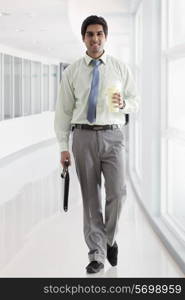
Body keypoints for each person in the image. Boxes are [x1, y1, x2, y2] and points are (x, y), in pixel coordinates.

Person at [54, 15, 139, 274]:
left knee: (118, 193)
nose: (95, 38)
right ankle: (97, 254)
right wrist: (63, 147)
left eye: (99, 33)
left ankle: (109, 239)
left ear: (105, 37)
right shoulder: (72, 72)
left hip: (113, 136)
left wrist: (124, 104)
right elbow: (63, 113)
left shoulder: (120, 68)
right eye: (90, 34)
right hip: (83, 137)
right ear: (83, 38)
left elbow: (135, 100)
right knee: (91, 199)